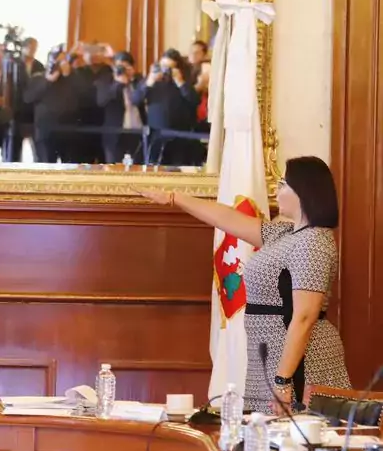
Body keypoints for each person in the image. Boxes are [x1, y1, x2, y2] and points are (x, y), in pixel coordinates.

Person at [139, 156, 351, 414]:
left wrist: (283, 380)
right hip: (270, 359)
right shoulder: (284, 233)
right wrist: (174, 198)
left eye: (283, 184)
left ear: (304, 191)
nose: (276, 190)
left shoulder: (313, 241)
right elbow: (226, 219)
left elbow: (305, 316)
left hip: (299, 366)